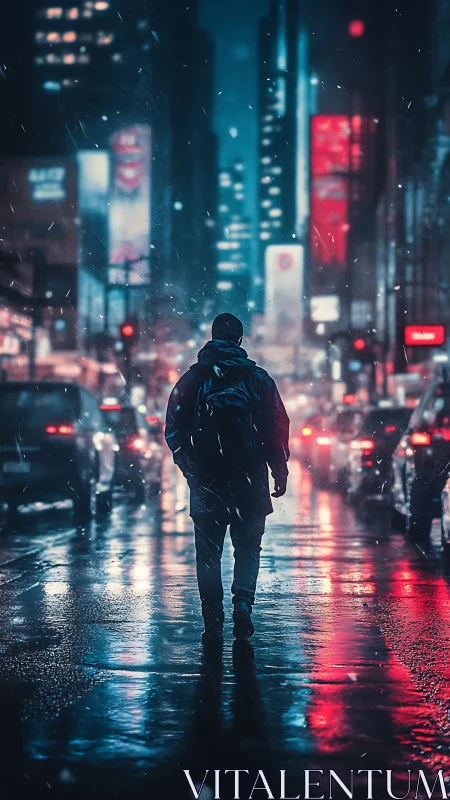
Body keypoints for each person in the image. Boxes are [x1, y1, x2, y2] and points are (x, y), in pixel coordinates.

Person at [165, 313, 290, 642]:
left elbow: (174, 431)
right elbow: (278, 427)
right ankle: (243, 605)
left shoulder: (193, 379)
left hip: (208, 481)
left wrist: (191, 469)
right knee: (248, 548)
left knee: (208, 553)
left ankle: (212, 618)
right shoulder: (258, 379)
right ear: (240, 340)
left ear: (212, 336)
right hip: (250, 479)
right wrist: (279, 469)